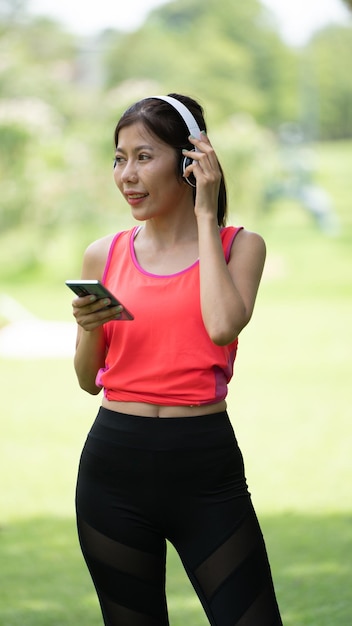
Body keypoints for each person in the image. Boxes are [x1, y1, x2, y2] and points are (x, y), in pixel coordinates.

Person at [71, 93, 283, 626]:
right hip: (112, 468)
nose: (127, 175)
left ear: (191, 161)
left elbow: (221, 325)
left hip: (205, 470)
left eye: (144, 156)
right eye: (120, 158)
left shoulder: (241, 246)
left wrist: (205, 212)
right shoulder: (105, 253)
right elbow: (87, 380)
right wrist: (88, 330)